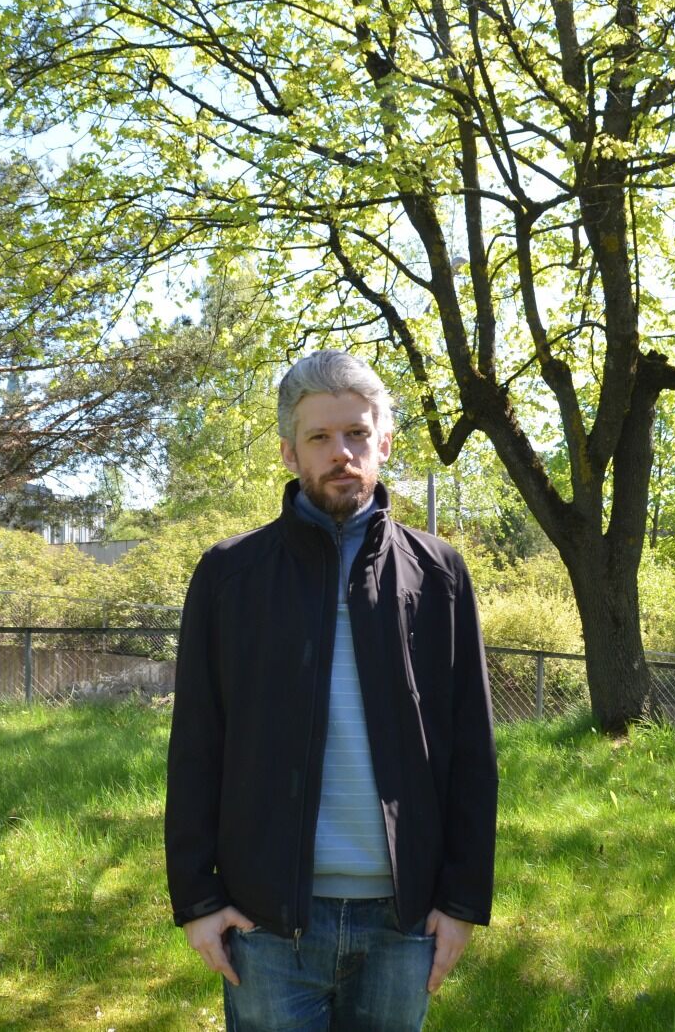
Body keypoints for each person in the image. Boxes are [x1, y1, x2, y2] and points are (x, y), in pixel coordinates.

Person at [165, 350, 498, 1031]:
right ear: (290, 452)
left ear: (384, 442)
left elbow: (472, 749)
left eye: (356, 434)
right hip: (266, 920)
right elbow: (197, 744)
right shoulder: (230, 576)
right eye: (319, 436)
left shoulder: (439, 575)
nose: (340, 452)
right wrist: (198, 900)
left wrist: (462, 902)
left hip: (405, 920)